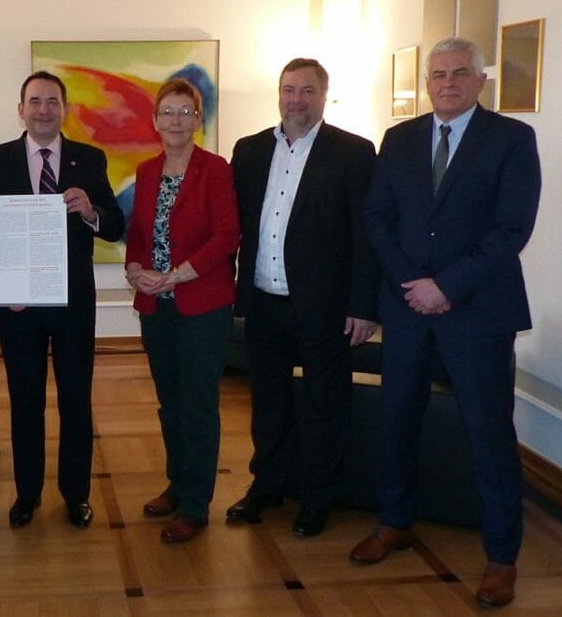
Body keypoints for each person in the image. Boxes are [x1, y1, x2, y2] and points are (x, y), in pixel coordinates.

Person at [353, 37, 541, 609]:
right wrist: (412, 284)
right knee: (397, 420)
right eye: (438, 75)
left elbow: (512, 230)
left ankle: (501, 556)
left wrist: (447, 287)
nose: (448, 83)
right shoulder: (399, 139)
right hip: (407, 309)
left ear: (481, 81)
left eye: (460, 73)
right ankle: (395, 520)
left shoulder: (512, 139)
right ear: (427, 83)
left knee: (488, 433)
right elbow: (377, 217)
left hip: (477, 312)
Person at [227, 58, 379, 538]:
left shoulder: (354, 152)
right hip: (263, 301)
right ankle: (267, 485)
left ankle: (317, 498)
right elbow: (234, 225)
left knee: (323, 406)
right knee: (267, 402)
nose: (297, 100)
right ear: (279, 93)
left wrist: (363, 306)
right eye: (289, 90)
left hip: (325, 307)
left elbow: (366, 235)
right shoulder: (249, 150)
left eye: (308, 91)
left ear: (323, 96)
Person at [0, 71, 125, 529]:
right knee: (25, 401)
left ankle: (76, 494)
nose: (43, 109)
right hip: (18, 308)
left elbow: (115, 225)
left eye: (52, 101)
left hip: (73, 305)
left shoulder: (89, 159)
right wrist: (6, 285)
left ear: (65, 109)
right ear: (21, 109)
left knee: (76, 400)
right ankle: (28, 493)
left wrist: (91, 211)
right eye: (35, 101)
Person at [124, 79, 238, 543]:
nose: (176, 120)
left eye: (185, 112)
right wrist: (135, 269)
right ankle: (177, 484)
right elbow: (138, 233)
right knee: (170, 403)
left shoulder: (216, 169)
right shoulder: (147, 171)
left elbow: (226, 236)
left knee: (198, 406)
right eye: (167, 112)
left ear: (198, 120)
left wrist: (175, 275)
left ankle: (195, 505)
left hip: (202, 306)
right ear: (155, 121)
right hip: (157, 306)